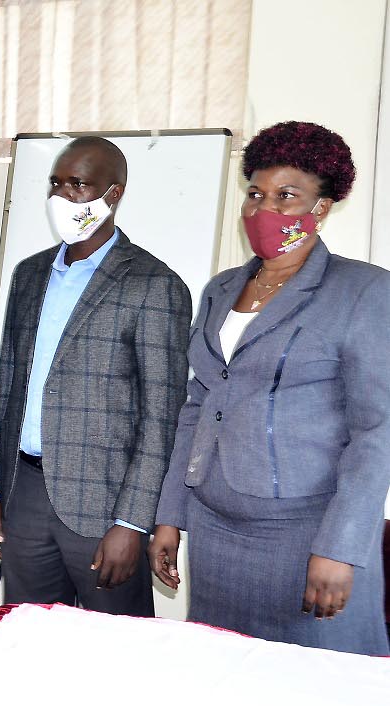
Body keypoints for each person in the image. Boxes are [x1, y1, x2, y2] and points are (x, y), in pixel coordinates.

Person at [151, 121, 390, 656]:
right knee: (228, 672)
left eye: (288, 196)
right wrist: (171, 513)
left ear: (321, 206)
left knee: (318, 687)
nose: (266, 209)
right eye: (256, 194)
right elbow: (198, 404)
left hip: (306, 530)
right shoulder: (221, 290)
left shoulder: (364, 291)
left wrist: (341, 547)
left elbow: (378, 430)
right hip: (216, 524)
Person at [0, 137, 192, 617]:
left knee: (114, 654)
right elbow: (8, 389)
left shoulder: (154, 284)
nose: (63, 196)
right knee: (28, 640)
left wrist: (132, 522)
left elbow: (162, 418)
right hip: (25, 491)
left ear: (112, 193)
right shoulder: (29, 275)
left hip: (104, 504)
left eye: (79, 184)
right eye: (56, 183)